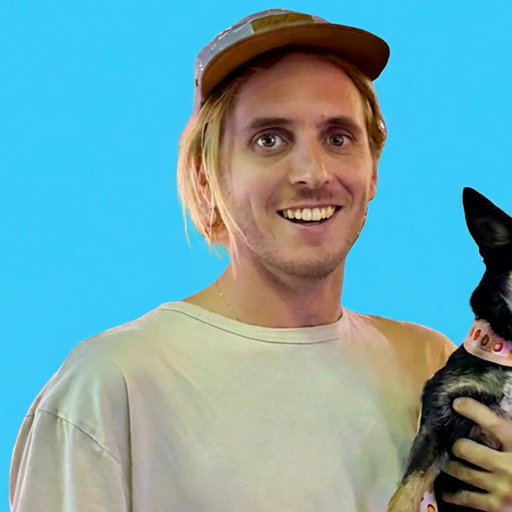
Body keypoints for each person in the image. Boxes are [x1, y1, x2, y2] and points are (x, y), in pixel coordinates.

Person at [9, 8, 512, 512]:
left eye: (338, 138)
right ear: (207, 177)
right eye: (268, 139)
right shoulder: (110, 388)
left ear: (372, 170)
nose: (313, 173)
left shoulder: (430, 360)